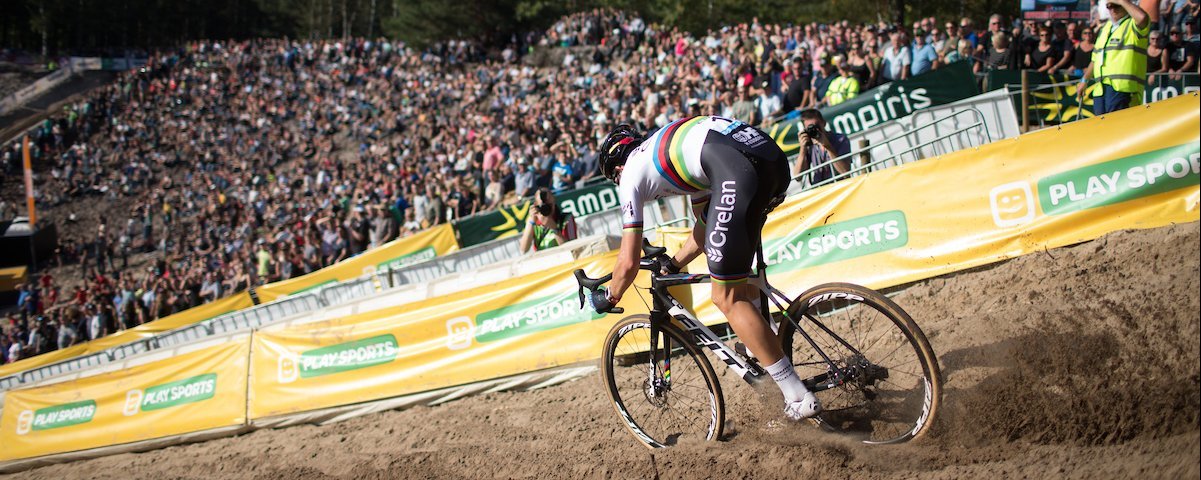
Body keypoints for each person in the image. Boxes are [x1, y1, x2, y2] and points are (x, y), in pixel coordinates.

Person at [590, 118, 821, 421]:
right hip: (769, 160)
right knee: (736, 274)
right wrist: (673, 263)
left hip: (738, 169)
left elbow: (628, 262)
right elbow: (706, 224)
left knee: (725, 297)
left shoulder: (631, 172)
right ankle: (762, 341)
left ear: (616, 171)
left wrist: (610, 296)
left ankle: (797, 396)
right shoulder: (665, 152)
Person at [1079, 0, 1151, 114]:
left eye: (1116, 5)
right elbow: (1095, 59)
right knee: (1102, 128)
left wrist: (1122, 1)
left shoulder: (1132, 24)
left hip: (1123, 88)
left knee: (1119, 127)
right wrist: (1084, 80)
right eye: (1109, 6)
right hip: (1100, 89)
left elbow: (1143, 18)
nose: (1112, 9)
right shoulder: (1106, 27)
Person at [791, 109, 852, 186]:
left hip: (839, 186)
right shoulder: (808, 145)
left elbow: (845, 172)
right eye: (810, 128)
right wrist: (802, 148)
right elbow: (797, 177)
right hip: (819, 190)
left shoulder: (840, 139)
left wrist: (828, 146)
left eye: (817, 126)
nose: (815, 130)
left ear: (824, 123)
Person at [519, 188, 577, 253]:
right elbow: (523, 250)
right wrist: (531, 221)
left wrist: (554, 229)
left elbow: (573, 249)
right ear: (536, 205)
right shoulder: (534, 221)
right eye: (543, 206)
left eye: (549, 205)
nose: (547, 209)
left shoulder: (567, 219)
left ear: (554, 201)